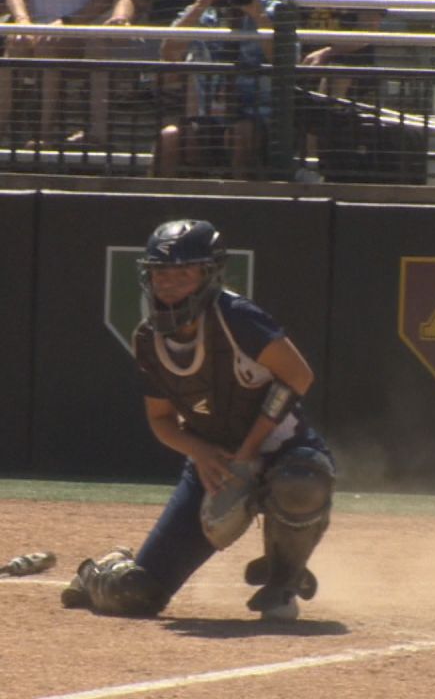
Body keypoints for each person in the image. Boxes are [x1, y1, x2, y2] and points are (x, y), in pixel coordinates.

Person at [60, 219, 335, 620]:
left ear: (208, 275)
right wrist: (201, 452)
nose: (168, 284)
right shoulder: (148, 339)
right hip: (215, 463)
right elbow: (161, 420)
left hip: (283, 447)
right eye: (159, 274)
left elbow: (299, 375)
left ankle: (282, 584)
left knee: (302, 481)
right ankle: (98, 574)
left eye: (182, 274)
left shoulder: (238, 317)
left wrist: (247, 454)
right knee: (135, 595)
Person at [151, 0, 277, 178]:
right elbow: (169, 52)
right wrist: (202, 3)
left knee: (241, 133)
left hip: (260, 119)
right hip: (208, 118)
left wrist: (255, 11)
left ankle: (242, 202)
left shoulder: (274, 10)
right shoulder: (205, 13)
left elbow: (282, 58)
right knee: (170, 138)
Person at [0, 0, 127, 148]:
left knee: (47, 47)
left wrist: (67, 22)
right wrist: (22, 21)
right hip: (36, 27)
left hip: (81, 30)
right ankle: (3, 124)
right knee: (15, 44)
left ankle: (45, 134)